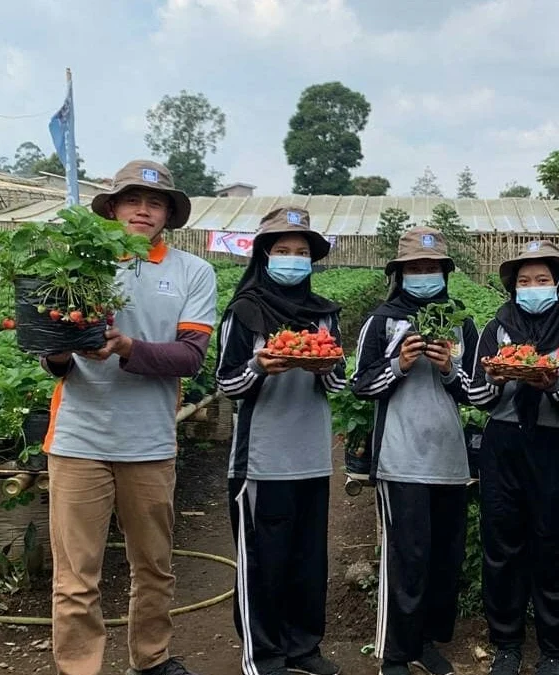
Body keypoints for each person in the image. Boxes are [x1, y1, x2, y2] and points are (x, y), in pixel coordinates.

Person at [41, 160, 216, 675]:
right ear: (113, 207)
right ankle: (79, 668)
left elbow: (191, 356)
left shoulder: (192, 272)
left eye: (155, 202)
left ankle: (151, 659)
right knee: (76, 576)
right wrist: (57, 347)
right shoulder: (77, 267)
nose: (143, 210)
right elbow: (54, 358)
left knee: (155, 567)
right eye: (133, 200)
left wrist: (128, 348)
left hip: (150, 443)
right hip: (78, 439)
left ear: (168, 215)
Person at [215, 207, 345, 675]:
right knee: (263, 563)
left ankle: (304, 648)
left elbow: (339, 384)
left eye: (302, 252)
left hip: (311, 454)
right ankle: (263, 656)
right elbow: (225, 383)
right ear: (265, 256)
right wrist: (258, 368)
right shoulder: (245, 312)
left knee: (309, 560)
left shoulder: (325, 315)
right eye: (284, 251)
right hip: (261, 460)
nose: (293, 259)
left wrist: (327, 369)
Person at [351, 226, 478, 675]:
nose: (424, 275)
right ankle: (394, 653)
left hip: (449, 459)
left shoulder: (460, 323)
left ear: (444, 273)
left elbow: (476, 392)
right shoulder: (383, 320)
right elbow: (361, 384)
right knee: (408, 556)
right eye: (415, 269)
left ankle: (424, 642)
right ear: (399, 273)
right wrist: (399, 364)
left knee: (443, 558)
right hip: (400, 458)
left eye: (432, 268)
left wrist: (448, 369)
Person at [470, 241, 559, 675]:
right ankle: (506, 644)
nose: (533, 287)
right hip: (502, 444)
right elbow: (479, 397)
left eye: (542, 280)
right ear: (513, 288)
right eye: (524, 281)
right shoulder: (497, 330)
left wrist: (552, 386)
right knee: (501, 545)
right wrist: (493, 377)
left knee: (553, 548)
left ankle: (554, 652)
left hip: (556, 446)